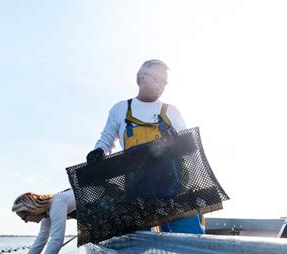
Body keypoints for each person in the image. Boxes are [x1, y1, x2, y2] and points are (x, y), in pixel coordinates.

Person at [86, 59, 205, 234]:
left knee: (192, 238)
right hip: (137, 192)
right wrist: (98, 151)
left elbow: (189, 147)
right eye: (158, 80)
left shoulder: (171, 111)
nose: (162, 86)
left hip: (173, 188)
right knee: (137, 243)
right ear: (142, 77)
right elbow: (106, 140)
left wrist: (175, 141)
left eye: (165, 83)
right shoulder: (120, 109)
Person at [10, 189, 76, 254]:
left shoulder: (56, 203)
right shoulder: (47, 214)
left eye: (24, 218)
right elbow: (40, 242)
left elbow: (57, 240)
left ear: (31, 209)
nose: (26, 222)